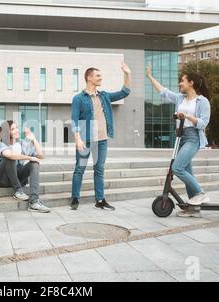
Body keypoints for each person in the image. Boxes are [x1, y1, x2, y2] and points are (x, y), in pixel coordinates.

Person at [146, 65, 211, 218]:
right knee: (187, 171)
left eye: (182, 81)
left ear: (191, 83)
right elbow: (164, 92)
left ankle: (201, 194)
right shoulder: (180, 98)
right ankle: (193, 209)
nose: (180, 84)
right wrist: (149, 76)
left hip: (193, 138)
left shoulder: (203, 102)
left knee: (177, 168)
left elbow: (203, 123)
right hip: (180, 138)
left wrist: (187, 116)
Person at [70, 63, 132, 210]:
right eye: (98, 75)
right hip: (85, 139)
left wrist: (127, 74)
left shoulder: (104, 96)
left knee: (99, 170)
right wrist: (77, 139)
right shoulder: (78, 98)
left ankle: (100, 200)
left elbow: (125, 92)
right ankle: (74, 198)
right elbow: (74, 119)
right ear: (89, 78)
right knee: (80, 168)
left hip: (102, 140)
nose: (100, 78)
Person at [0, 120, 50, 213]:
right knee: (9, 158)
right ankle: (18, 190)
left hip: (18, 178)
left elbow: (41, 156)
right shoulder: (0, 142)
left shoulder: (22, 143)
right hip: (3, 179)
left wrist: (33, 139)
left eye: (17, 128)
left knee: (34, 163)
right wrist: (29, 157)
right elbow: (9, 154)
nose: (17, 130)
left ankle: (34, 202)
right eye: (13, 129)